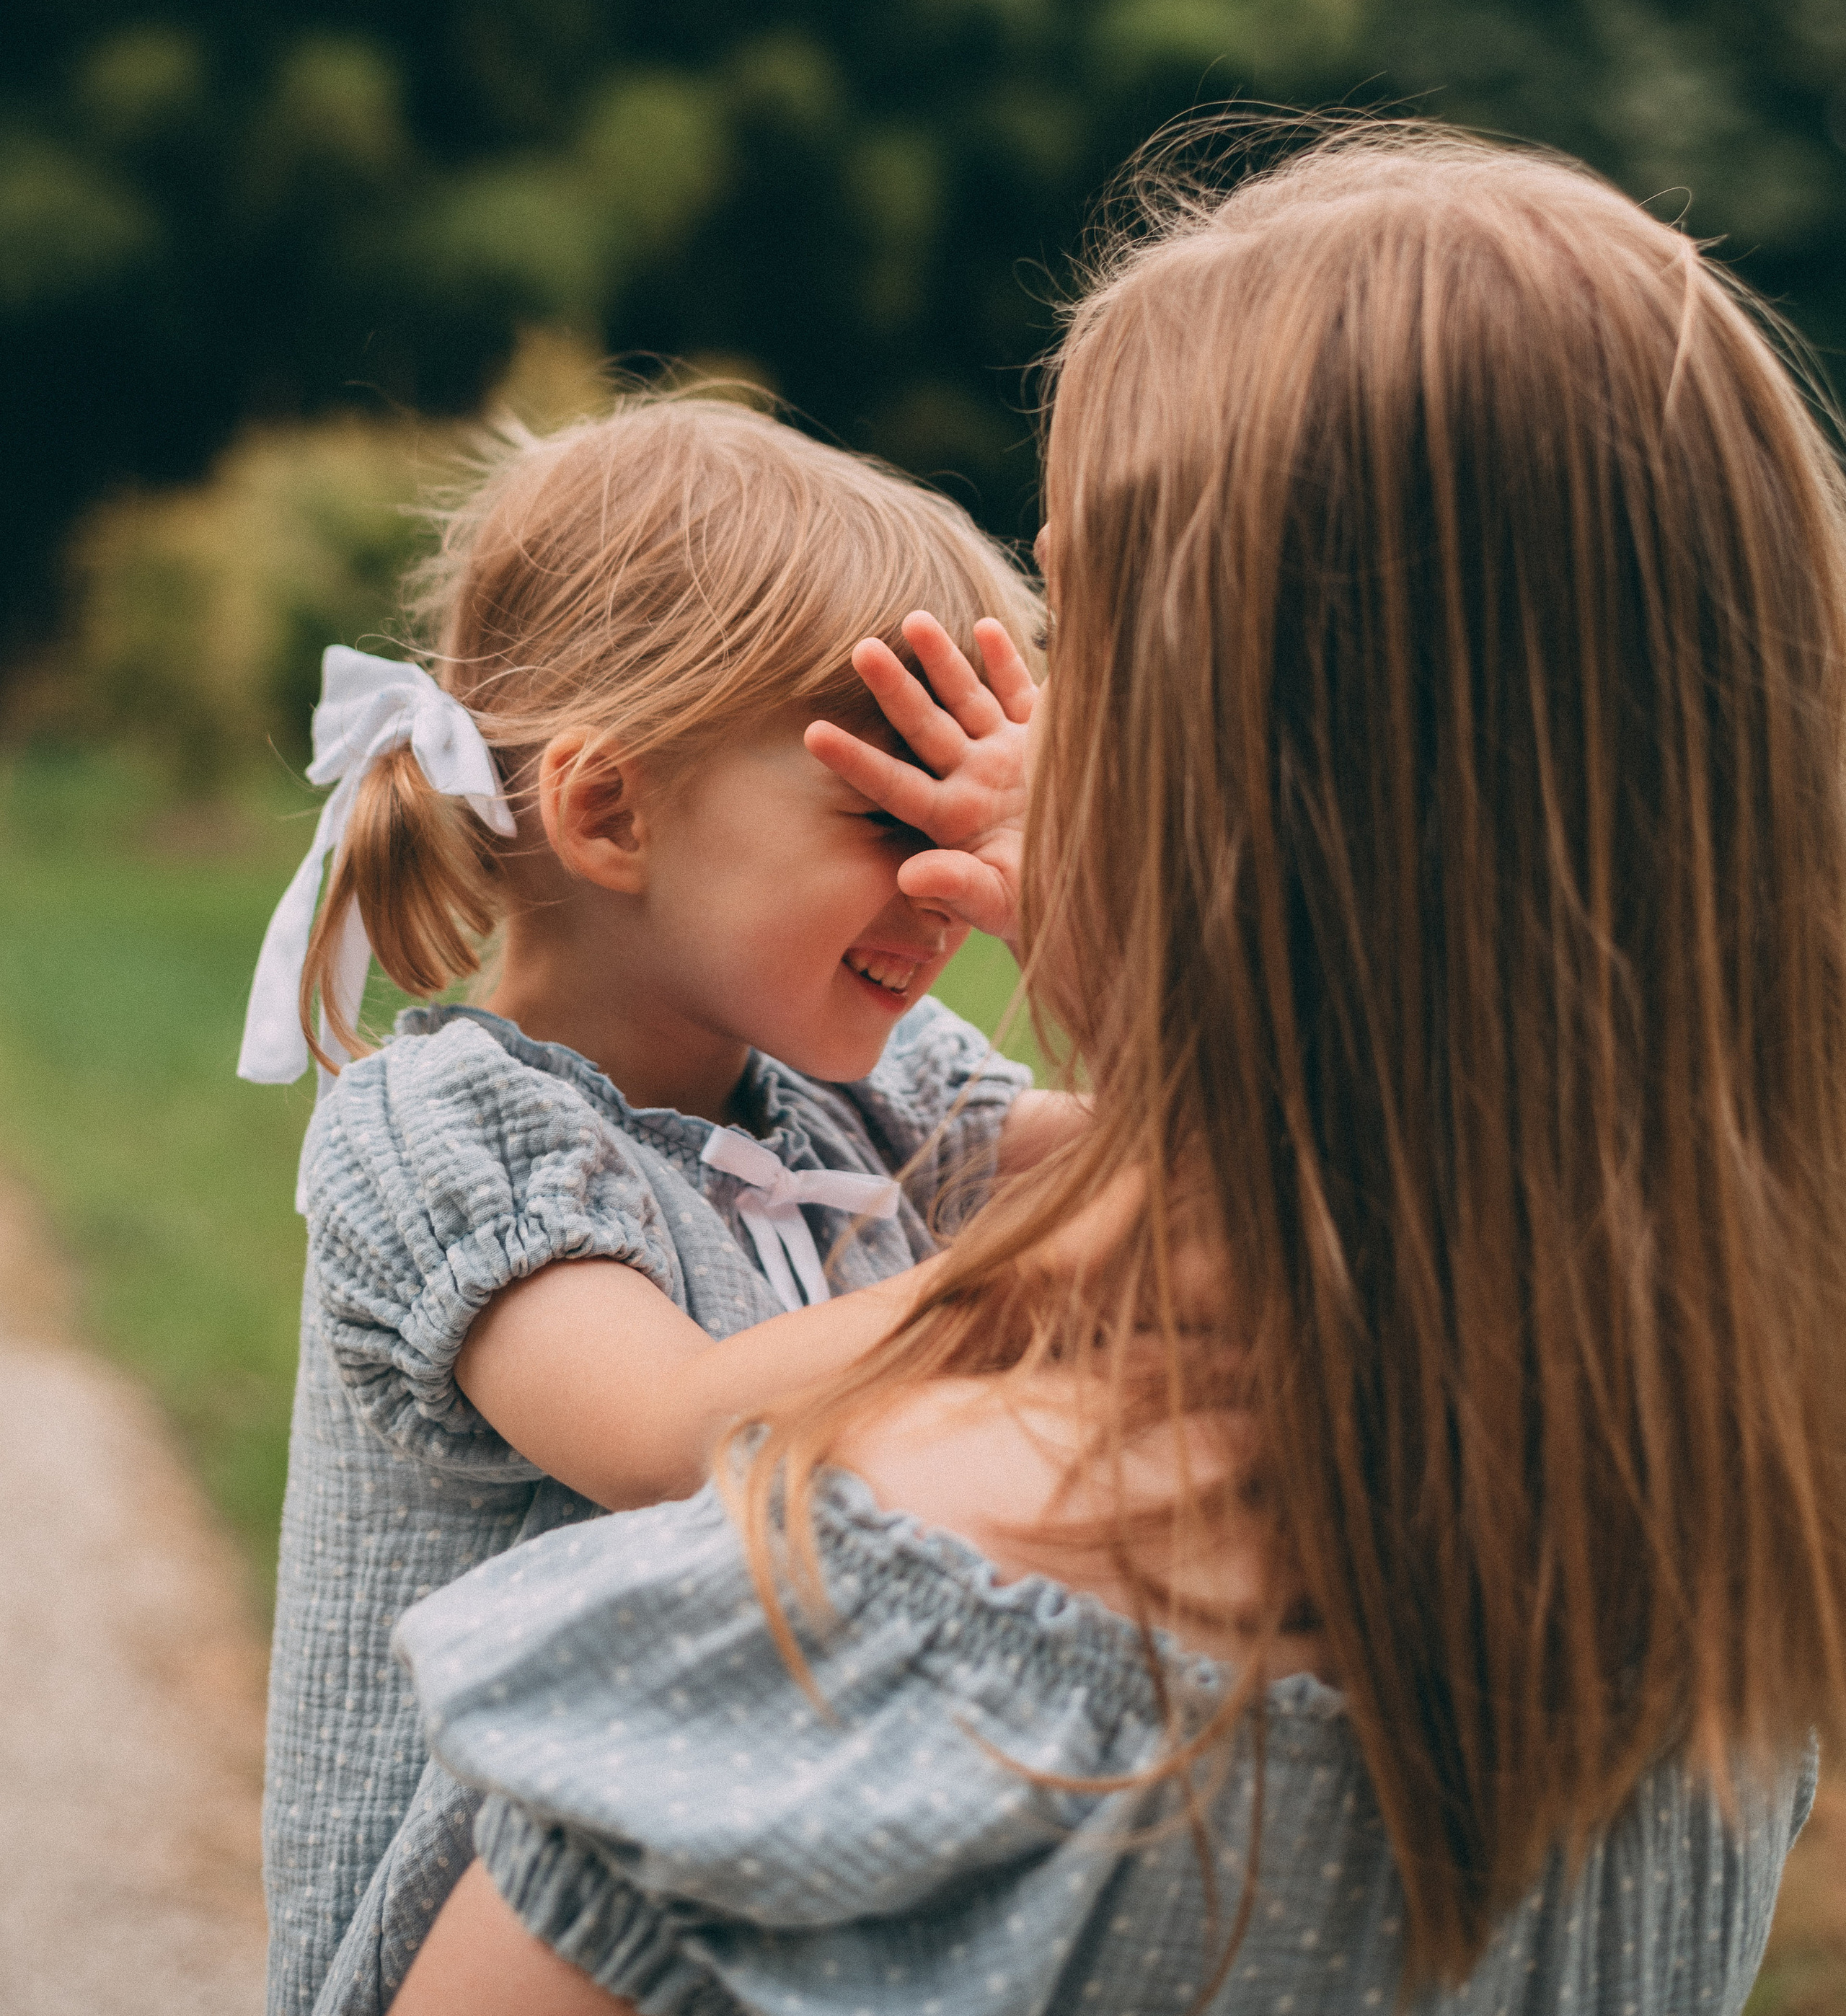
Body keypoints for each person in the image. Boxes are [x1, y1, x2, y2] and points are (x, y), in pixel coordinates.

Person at [390, 127, 1844, 2015]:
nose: (1010, 758)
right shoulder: (1718, 1535)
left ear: (1226, 772)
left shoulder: (885, 1647)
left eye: (1084, 652)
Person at [242, 393, 1066, 2016]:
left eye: (973, 824)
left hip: (742, 1903)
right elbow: (665, 1427)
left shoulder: (862, 1091)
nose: (949, 882)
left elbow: (1195, 1153)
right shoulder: (446, 1126)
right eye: (897, 819)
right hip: (496, 1956)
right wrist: (1057, 1264)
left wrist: (1096, 909)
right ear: (610, 810)